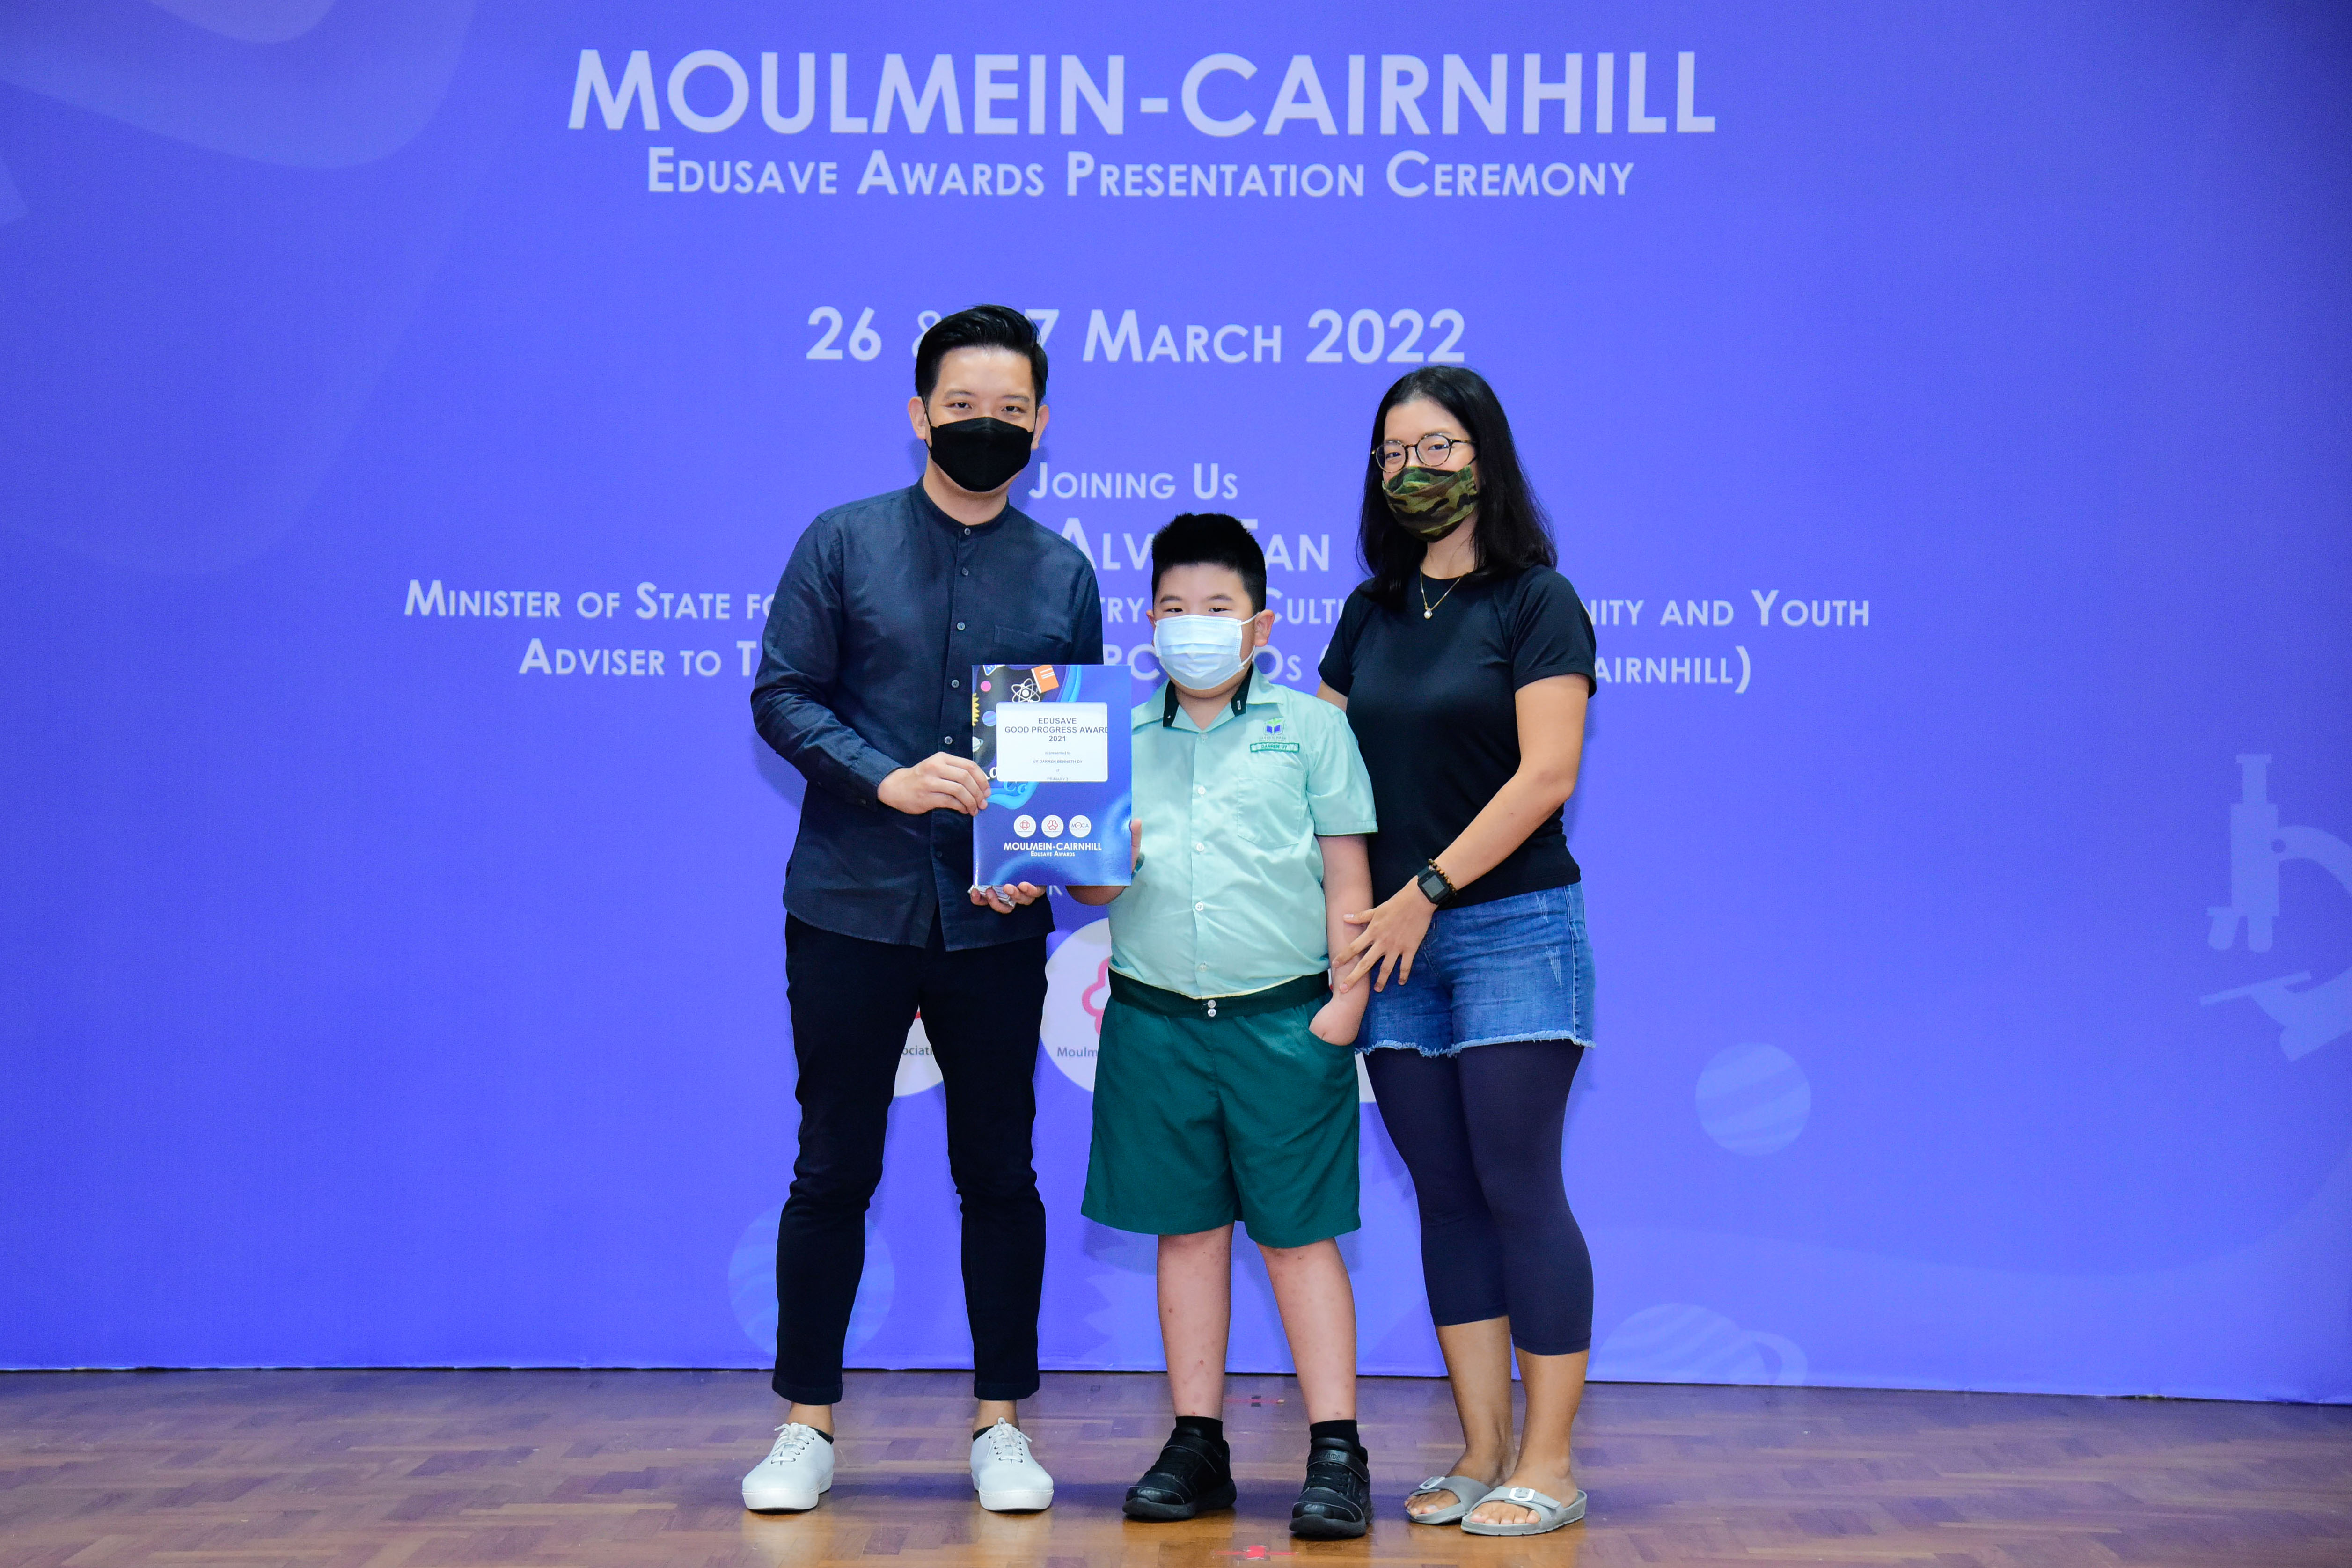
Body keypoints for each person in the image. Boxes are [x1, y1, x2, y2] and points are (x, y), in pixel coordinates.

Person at [742, 305, 1101, 1516]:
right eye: (961, 407)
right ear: (918, 414)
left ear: (1039, 426)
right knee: (832, 1164)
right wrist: (884, 778)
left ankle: (1002, 1423)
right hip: (848, 903)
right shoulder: (840, 541)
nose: (984, 426)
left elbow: (1068, 751)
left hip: (993, 923)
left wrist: (1040, 854)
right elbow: (783, 694)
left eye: (1010, 411)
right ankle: (805, 1423)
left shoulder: (1062, 573)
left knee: (1000, 1170)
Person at [1315, 366, 1599, 1538]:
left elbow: (1546, 775)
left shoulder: (1536, 600)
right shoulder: (1369, 610)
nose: (1413, 469)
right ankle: (1483, 1450)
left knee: (1518, 1185)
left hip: (1509, 928)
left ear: (1484, 455)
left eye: (1436, 446)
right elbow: (1316, 770)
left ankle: (1550, 1461)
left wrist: (1426, 889)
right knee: (1445, 1196)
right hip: (1388, 945)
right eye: (1393, 452)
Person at [1066, 513, 1381, 1540]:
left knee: (1298, 1240)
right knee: (1187, 1233)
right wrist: (1106, 857)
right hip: (1155, 1022)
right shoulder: (1108, 736)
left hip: (1285, 1022)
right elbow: (1090, 889)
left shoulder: (1312, 729)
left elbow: (1348, 876)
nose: (1191, 625)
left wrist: (1344, 1003)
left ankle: (1336, 1450)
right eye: (1172, 608)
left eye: (1216, 607)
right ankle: (1196, 1444)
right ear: (1147, 622)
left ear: (1260, 626)